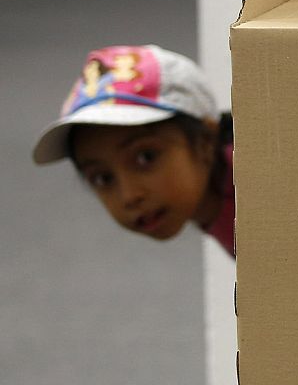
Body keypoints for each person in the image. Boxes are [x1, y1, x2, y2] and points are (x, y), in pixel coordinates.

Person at [32, 45, 235, 258]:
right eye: (102, 178)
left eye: (145, 157)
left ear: (205, 141)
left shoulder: (260, 201)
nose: (129, 196)